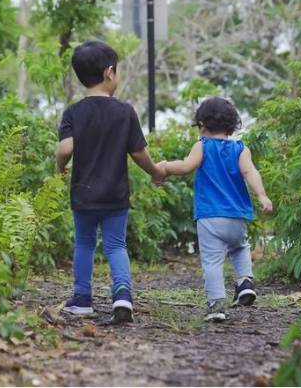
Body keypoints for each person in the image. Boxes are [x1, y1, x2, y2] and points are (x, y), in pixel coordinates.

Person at [55, 40, 166, 324]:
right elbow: (139, 153)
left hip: (84, 193)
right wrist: (155, 172)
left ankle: (81, 299)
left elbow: (65, 149)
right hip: (115, 194)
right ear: (109, 73)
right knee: (116, 245)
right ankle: (122, 295)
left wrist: (60, 168)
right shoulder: (124, 111)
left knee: (84, 243)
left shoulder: (73, 113)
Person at [159, 97, 273, 322]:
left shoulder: (202, 146)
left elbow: (185, 166)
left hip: (210, 216)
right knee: (240, 247)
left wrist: (164, 167)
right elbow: (251, 173)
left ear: (202, 124)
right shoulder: (241, 149)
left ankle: (216, 304)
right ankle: (245, 282)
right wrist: (262, 195)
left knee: (212, 261)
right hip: (237, 216)